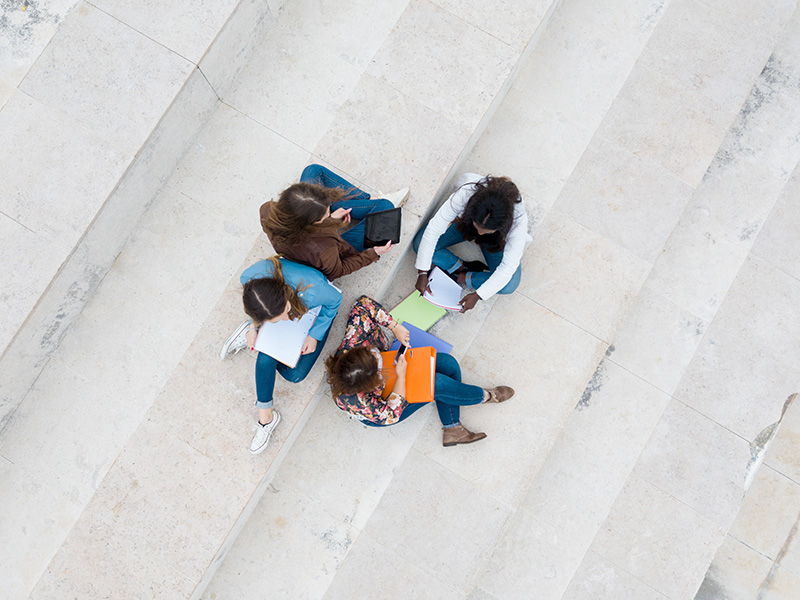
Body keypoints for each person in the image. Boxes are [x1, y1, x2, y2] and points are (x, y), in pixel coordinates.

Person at [325, 296, 514, 447]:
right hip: (387, 403)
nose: (376, 354)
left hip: (391, 374)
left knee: (447, 363)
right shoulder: (356, 401)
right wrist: (400, 376)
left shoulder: (352, 341)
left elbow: (363, 304)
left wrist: (395, 327)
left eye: (371, 352)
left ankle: (452, 428)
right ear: (372, 381)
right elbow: (391, 414)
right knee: (437, 384)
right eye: (377, 364)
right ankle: (487, 397)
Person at [220, 256, 342, 454]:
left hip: (312, 311)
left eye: (285, 312)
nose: (287, 319)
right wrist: (254, 324)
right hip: (276, 308)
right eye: (277, 319)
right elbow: (257, 305)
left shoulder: (316, 290)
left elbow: (335, 301)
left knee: (294, 374)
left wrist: (314, 334)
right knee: (266, 357)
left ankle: (261, 340)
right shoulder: (249, 278)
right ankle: (266, 417)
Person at [260, 164, 409, 280]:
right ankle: (370, 205)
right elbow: (339, 270)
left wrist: (329, 218)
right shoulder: (325, 249)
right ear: (311, 223)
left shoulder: (267, 210)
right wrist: (374, 253)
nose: (329, 212)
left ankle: (368, 203)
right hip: (338, 250)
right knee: (386, 207)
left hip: (310, 239)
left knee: (313, 170)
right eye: (325, 214)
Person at [413, 173, 530, 312]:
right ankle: (460, 267)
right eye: (478, 226)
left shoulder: (518, 220)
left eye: (485, 230)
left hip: (495, 241)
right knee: (420, 243)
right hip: (465, 226)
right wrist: (422, 273)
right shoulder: (465, 193)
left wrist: (478, 295)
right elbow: (433, 231)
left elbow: (507, 268)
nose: (480, 233)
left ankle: (464, 276)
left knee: (509, 285)